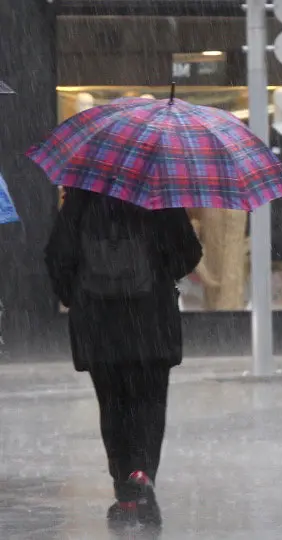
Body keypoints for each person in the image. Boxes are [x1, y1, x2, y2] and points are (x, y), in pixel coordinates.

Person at [45, 188, 202, 529]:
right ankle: (142, 474)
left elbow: (57, 255)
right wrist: (163, 274)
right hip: (150, 320)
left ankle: (125, 491)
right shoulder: (160, 193)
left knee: (113, 405)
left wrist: (77, 296)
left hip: (99, 324)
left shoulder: (81, 197)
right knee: (149, 403)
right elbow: (188, 252)